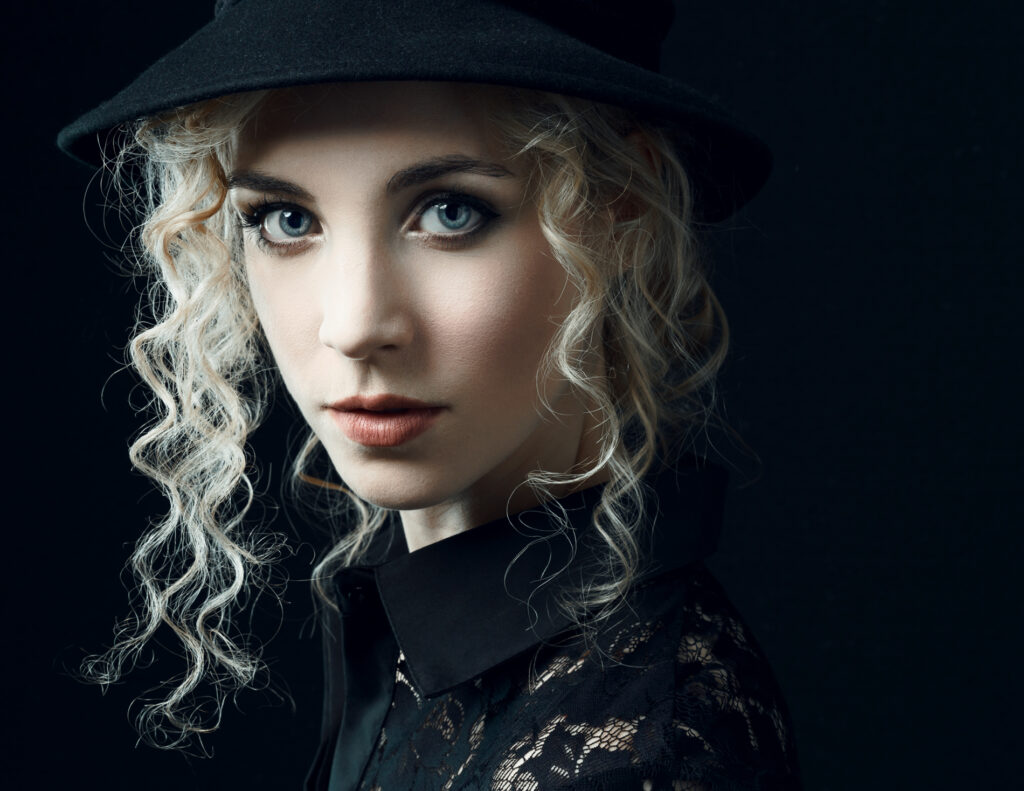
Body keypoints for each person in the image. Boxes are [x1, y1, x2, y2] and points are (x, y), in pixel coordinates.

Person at [59, 1, 801, 788]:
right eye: (284, 218)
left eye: (451, 212)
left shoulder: (635, 753)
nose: (354, 326)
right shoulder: (423, 624)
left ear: (620, 208)